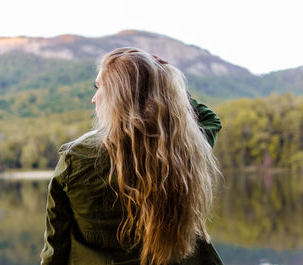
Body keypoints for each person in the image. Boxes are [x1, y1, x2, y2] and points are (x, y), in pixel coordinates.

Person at [40, 47, 223, 265]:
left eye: (98, 88)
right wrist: (162, 82)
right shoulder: (179, 152)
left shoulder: (77, 159)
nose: (93, 99)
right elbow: (210, 120)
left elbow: (55, 247)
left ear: (118, 95)